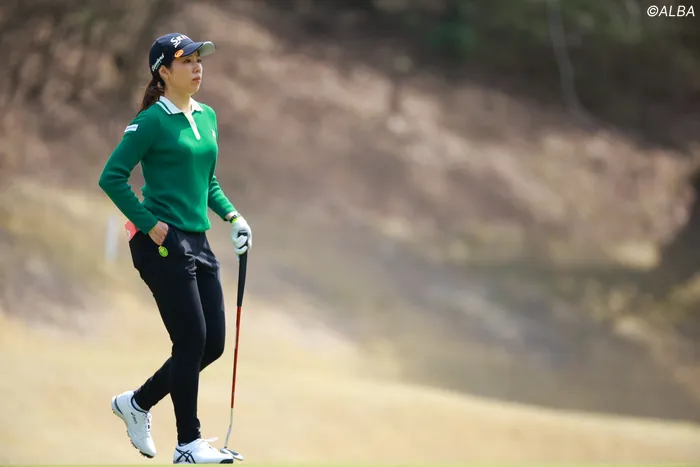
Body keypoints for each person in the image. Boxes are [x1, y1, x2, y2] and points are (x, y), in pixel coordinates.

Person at [98, 32, 252, 464]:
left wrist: (233, 217)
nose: (197, 67)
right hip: (161, 241)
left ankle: (137, 403)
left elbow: (207, 181)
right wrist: (150, 225)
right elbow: (112, 176)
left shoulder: (208, 116)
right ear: (163, 72)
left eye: (199, 59)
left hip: (197, 240)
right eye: (186, 61)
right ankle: (188, 444)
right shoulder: (151, 121)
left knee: (212, 343)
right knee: (191, 340)